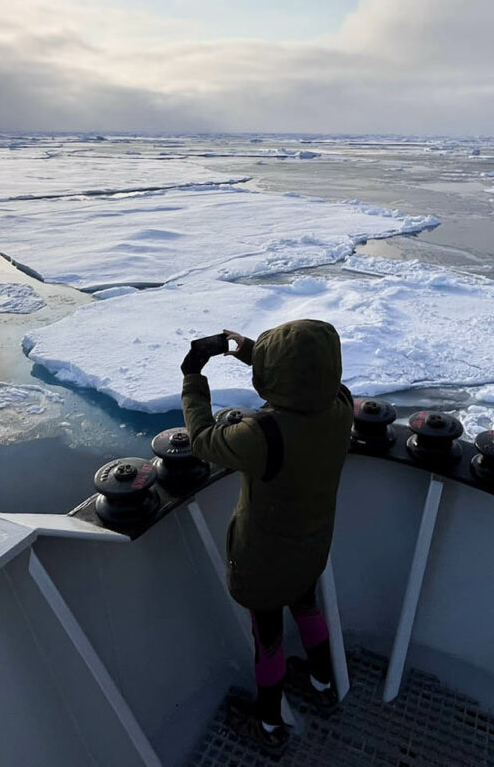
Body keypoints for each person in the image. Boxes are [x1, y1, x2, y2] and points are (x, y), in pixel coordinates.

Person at [180, 318, 354, 753]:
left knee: (269, 636)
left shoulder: (262, 435)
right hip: (312, 547)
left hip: (265, 561)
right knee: (307, 605)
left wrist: (193, 378)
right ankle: (322, 683)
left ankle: (271, 725)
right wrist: (244, 349)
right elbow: (304, 373)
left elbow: (202, 439)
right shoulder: (340, 405)